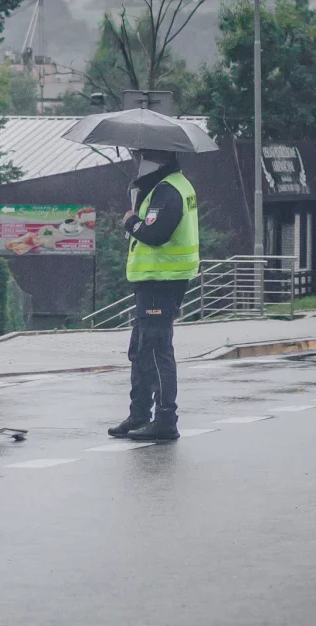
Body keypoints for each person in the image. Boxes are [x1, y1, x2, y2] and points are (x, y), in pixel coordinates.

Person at [108, 149, 200, 441]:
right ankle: (138, 414)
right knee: (141, 348)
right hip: (154, 281)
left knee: (157, 350)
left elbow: (155, 234)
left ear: (155, 160)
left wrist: (130, 222)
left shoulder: (169, 190)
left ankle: (164, 419)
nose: (138, 163)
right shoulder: (167, 186)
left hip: (162, 280)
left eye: (141, 157)